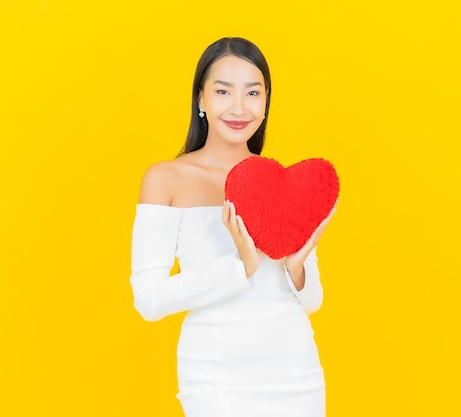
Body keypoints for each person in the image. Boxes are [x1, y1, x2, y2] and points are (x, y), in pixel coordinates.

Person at [129, 37, 335, 417]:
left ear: (266, 101)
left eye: (253, 92)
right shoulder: (166, 178)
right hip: (215, 376)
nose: (239, 107)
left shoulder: (283, 182)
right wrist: (241, 266)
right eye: (223, 91)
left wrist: (296, 266)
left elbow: (311, 302)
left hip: (296, 371)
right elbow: (149, 300)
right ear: (201, 99)